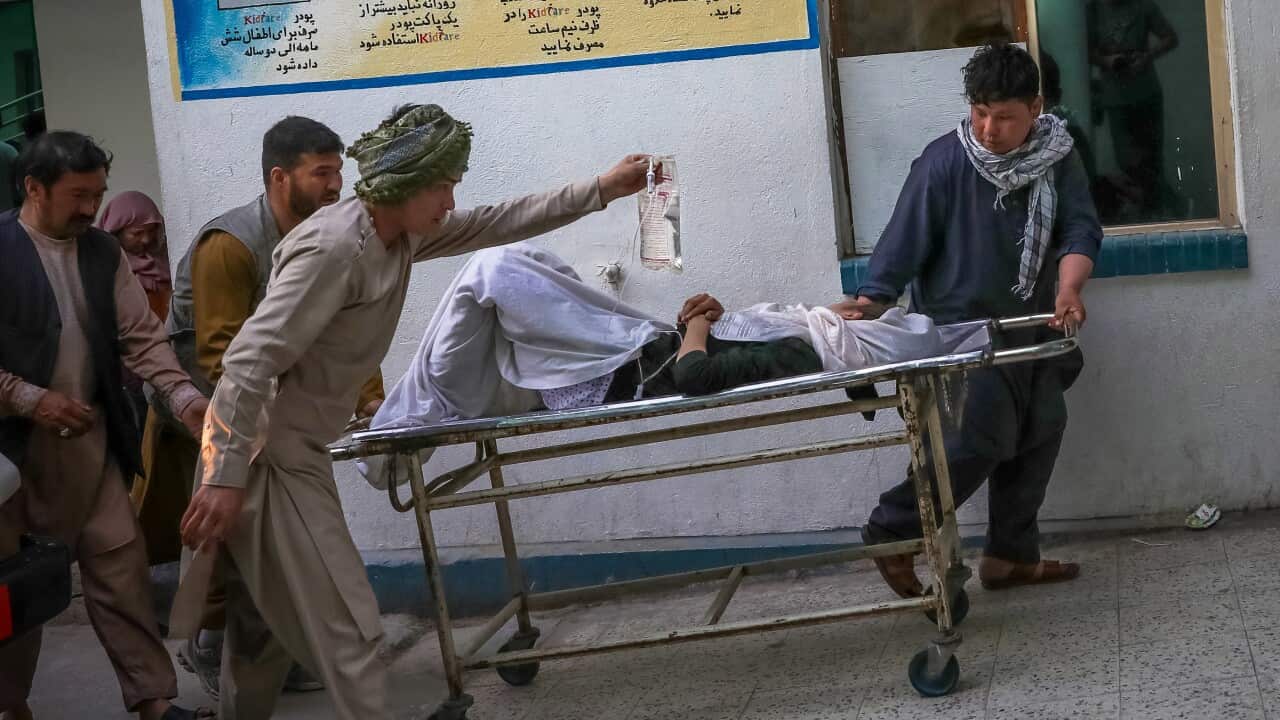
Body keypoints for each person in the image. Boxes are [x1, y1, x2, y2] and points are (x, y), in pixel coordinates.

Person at [177, 103, 655, 720]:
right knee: (350, 625)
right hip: (266, 457)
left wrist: (602, 189)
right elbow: (245, 362)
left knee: (266, 627)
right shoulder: (333, 248)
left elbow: (496, 221)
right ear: (402, 183)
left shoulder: (398, 233)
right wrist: (222, 476)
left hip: (298, 451)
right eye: (444, 186)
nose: (452, 202)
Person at [848, 44, 1103, 597]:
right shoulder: (942, 163)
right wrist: (869, 307)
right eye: (979, 113)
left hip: (1034, 326)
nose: (988, 129)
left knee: (1042, 428)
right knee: (980, 439)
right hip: (960, 336)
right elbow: (899, 250)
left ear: (1036, 108)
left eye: (1004, 116)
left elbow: (1080, 231)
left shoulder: (1060, 158)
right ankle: (894, 528)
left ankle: (1011, 557)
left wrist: (1068, 288)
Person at [149, 116, 365, 698]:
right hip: (213, 414)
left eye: (337, 173)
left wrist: (370, 401)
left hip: (274, 414)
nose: (334, 187)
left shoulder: (328, 238)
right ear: (279, 177)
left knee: (279, 540)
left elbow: (338, 332)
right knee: (236, 539)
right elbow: (222, 358)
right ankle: (214, 648)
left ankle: (268, 654)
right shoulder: (230, 245)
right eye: (321, 173)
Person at [0, 132, 211, 720]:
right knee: (19, 588)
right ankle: (10, 706)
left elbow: (141, 337)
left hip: (92, 448)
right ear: (33, 188)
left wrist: (183, 395)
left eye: (98, 194)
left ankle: (153, 701)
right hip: (11, 460)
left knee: (122, 572)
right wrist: (26, 398)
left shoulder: (101, 251)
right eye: (78, 195)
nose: (92, 208)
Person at [368, 241, 960, 445]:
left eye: (865, 316)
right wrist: (708, 316)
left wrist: (698, 324)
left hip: (602, 368)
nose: (853, 309)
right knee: (518, 268)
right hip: (588, 361)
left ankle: (396, 418)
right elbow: (729, 337)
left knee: (493, 271)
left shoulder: (809, 351)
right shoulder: (810, 330)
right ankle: (393, 414)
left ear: (861, 339)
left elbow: (695, 376)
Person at [1087, 0, 1179, 221]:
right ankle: (1172, 205)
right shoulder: (1093, 9)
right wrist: (1107, 61)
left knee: (1153, 159)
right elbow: (1084, 50)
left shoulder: (1143, 5)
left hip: (1146, 91)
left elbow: (1170, 37)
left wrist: (1146, 56)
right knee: (1127, 159)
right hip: (1115, 95)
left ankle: (1157, 214)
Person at [98, 191, 172, 431]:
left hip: (167, 364)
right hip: (128, 372)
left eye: (151, 231)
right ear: (116, 233)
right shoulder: (106, 269)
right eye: (137, 233)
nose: (146, 240)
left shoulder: (166, 261)